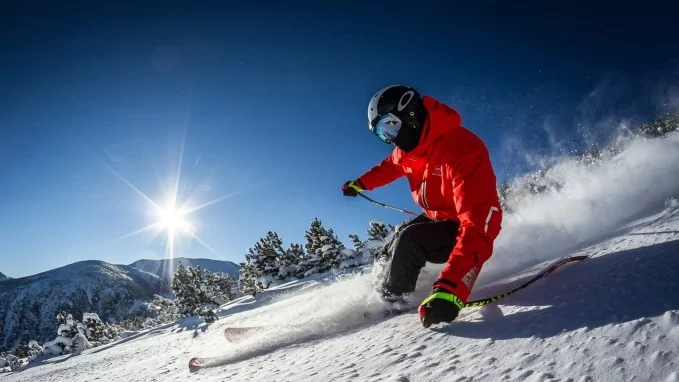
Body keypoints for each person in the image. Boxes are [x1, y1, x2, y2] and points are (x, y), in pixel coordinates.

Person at [342, 85, 503, 328]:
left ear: (411, 113)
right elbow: (388, 168)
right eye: (382, 133)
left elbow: (479, 220)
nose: (391, 138)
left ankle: (391, 306)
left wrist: (451, 289)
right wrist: (360, 184)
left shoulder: (462, 149)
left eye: (390, 125)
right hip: (436, 216)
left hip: (460, 227)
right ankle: (379, 293)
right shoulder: (409, 152)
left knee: (409, 239)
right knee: (394, 240)